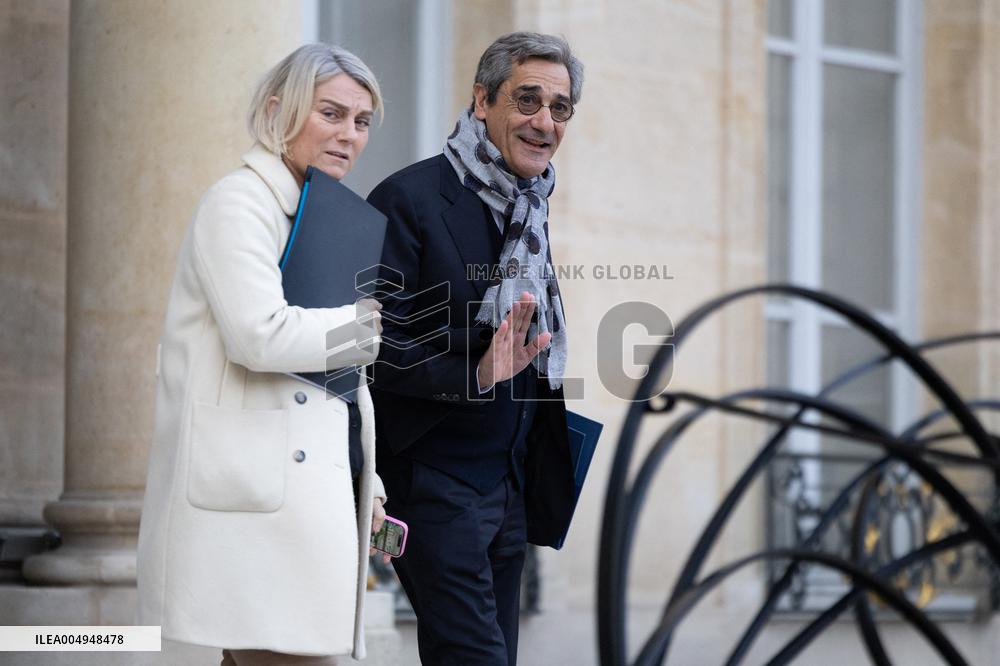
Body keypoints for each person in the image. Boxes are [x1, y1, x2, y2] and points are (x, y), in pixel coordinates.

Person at [136, 43, 388, 665]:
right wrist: (366, 330)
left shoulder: (327, 219)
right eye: (330, 114)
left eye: (360, 122)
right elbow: (260, 334)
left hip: (297, 501)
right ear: (279, 111)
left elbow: (333, 385)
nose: (348, 136)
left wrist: (365, 479)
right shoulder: (238, 202)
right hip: (251, 504)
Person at [367, 32, 584, 665]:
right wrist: (477, 372)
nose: (544, 122)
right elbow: (369, 350)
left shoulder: (530, 209)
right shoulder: (410, 199)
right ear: (482, 99)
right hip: (434, 487)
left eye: (560, 108)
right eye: (528, 100)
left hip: (508, 487)